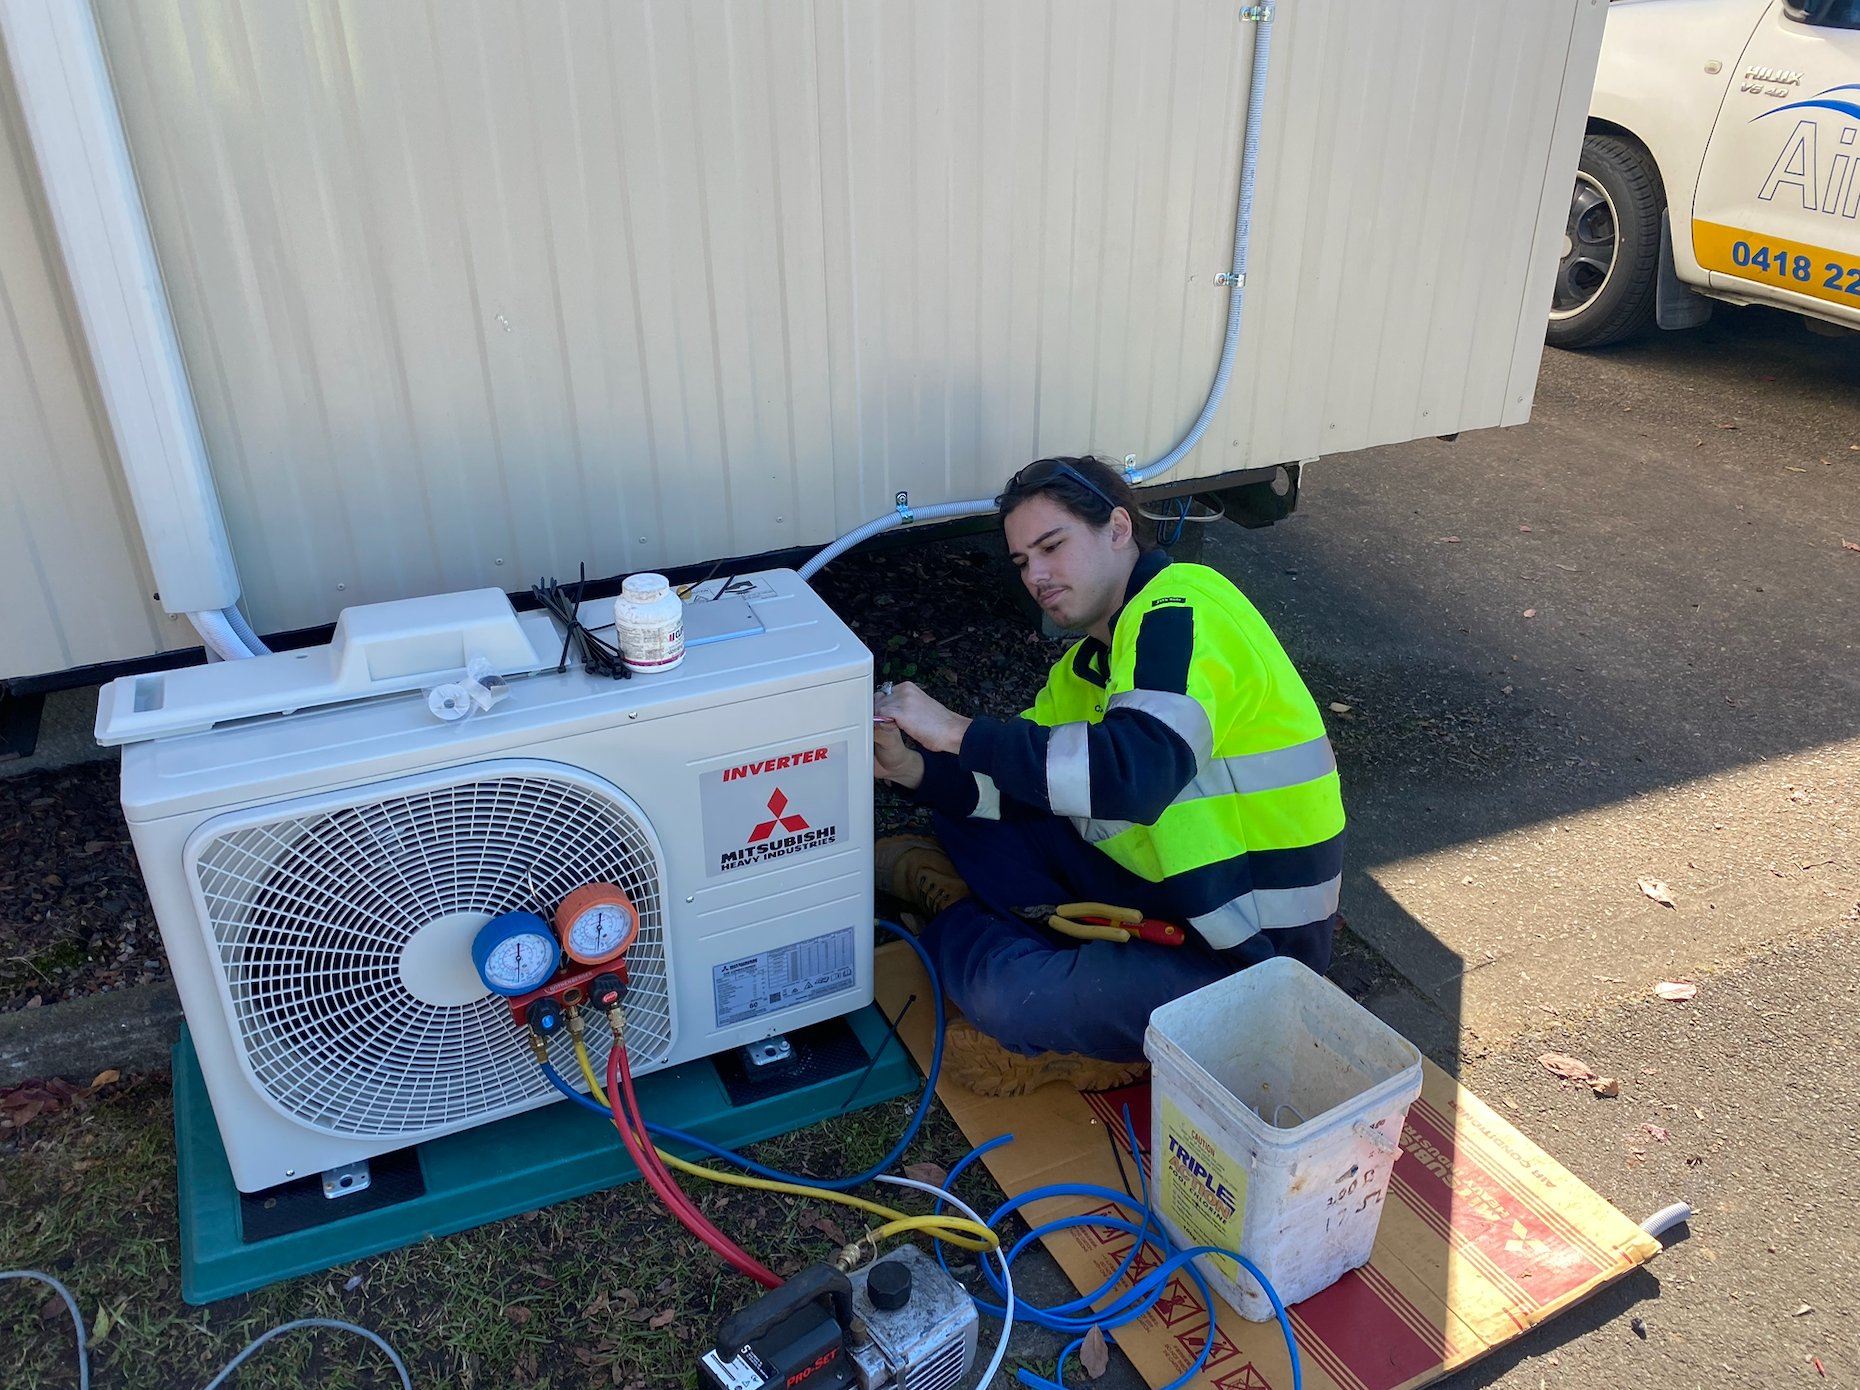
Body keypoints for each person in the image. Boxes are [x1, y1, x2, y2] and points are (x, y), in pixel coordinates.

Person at [872, 456, 1344, 1095]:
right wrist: (913, 768)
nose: (1036, 575)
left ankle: (960, 917)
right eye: (1021, 562)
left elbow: (1136, 774)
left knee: (1009, 997)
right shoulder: (1087, 667)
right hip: (1160, 891)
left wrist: (956, 729)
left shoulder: (1182, 610)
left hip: (1246, 958)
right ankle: (1039, 963)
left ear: (1119, 528)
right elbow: (1012, 782)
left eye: (1051, 546)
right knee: (964, 808)